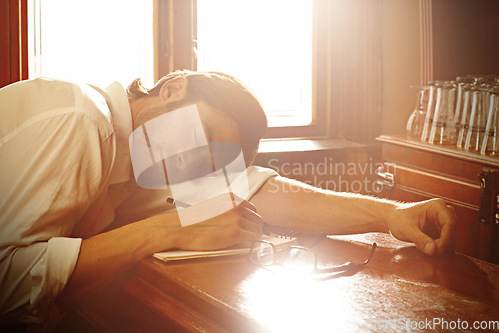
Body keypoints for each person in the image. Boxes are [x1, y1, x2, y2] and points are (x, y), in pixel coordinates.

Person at [0, 70, 456, 330]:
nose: (195, 163)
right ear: (174, 87)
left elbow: (261, 190)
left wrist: (392, 214)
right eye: (206, 135)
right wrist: (166, 229)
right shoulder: (83, 122)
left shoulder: (146, 158)